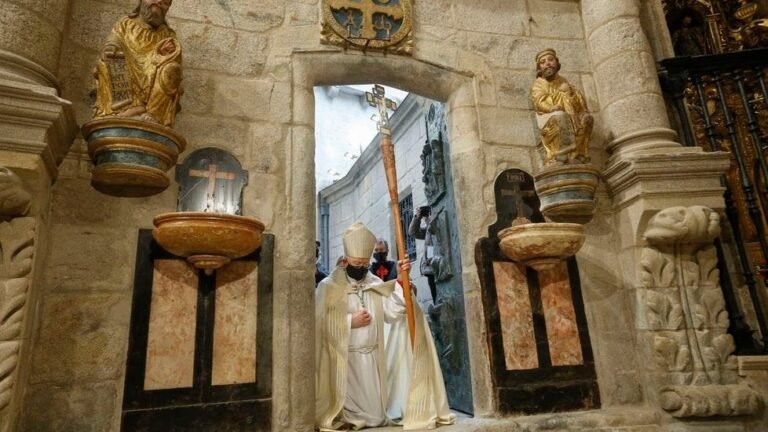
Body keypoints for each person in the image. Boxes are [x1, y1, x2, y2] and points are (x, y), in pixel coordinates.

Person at [315, 223, 454, 431]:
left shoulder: (374, 282)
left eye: (364, 263)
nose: (361, 267)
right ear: (345, 261)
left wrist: (400, 280)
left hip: (372, 360)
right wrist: (349, 321)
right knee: (349, 413)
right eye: (356, 262)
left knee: (376, 416)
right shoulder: (328, 286)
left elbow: (392, 312)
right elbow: (318, 325)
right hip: (344, 362)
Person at [93, 0, 183, 127]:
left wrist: (163, 53)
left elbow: (175, 59)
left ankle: (153, 113)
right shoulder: (126, 23)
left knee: (170, 70)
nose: (159, 3)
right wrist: (111, 47)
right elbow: (115, 38)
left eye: (165, 3)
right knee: (107, 62)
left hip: (153, 68)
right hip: (127, 62)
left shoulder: (168, 34)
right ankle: (122, 109)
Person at [530, 48, 593, 165]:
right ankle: (561, 154)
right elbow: (539, 101)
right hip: (549, 118)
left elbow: (578, 102)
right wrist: (551, 107)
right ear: (539, 68)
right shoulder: (539, 84)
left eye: (550, 60)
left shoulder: (564, 81)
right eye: (543, 62)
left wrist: (569, 93)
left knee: (586, 119)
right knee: (561, 116)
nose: (547, 63)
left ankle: (578, 154)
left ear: (557, 63)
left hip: (571, 116)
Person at [409, 206, 438, 303]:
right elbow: (413, 232)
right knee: (436, 298)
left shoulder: (435, 224)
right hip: (430, 269)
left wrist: (429, 219)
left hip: (439, 265)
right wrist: (417, 218)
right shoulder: (427, 229)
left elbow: (436, 230)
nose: (427, 215)